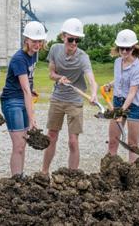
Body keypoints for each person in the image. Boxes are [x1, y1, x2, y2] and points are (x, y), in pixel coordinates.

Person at [41, 18, 98, 174]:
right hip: (58, 98)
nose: (74, 43)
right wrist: (59, 78)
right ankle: (44, 172)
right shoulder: (55, 49)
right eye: (71, 39)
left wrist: (93, 94)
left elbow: (91, 80)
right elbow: (51, 74)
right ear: (63, 36)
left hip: (75, 100)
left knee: (73, 141)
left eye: (77, 40)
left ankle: (72, 176)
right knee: (51, 136)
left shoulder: (83, 57)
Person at [1, 21, 47, 176]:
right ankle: (16, 179)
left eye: (40, 41)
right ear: (26, 39)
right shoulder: (19, 59)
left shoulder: (33, 55)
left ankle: (20, 176)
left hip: (22, 98)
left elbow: (27, 86)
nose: (37, 44)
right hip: (12, 101)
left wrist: (31, 90)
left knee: (23, 143)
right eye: (34, 41)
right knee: (19, 144)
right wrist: (32, 117)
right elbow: (25, 90)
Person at [106, 29, 139, 163]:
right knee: (113, 141)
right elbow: (121, 79)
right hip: (118, 102)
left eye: (127, 49)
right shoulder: (117, 62)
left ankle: (133, 173)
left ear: (133, 47)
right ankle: (110, 170)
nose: (124, 51)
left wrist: (121, 112)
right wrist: (110, 85)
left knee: (132, 145)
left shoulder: (138, 68)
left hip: (134, 106)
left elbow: (132, 92)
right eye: (121, 48)